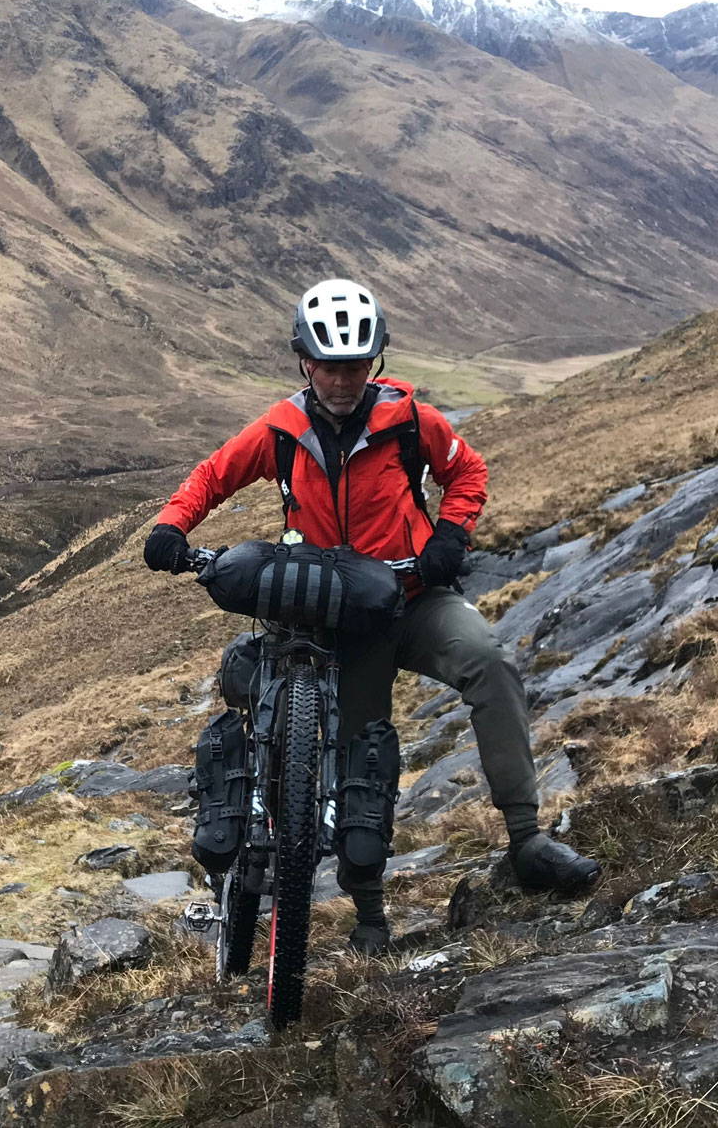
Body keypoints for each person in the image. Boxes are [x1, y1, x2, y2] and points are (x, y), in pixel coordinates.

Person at [142, 278, 600, 953]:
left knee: (490, 662)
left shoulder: (409, 419)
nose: (342, 378)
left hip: (413, 597)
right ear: (305, 361)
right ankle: (371, 915)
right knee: (359, 752)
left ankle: (528, 838)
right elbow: (213, 475)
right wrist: (170, 526)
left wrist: (450, 535)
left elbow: (466, 472)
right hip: (332, 618)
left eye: (356, 363)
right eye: (329, 363)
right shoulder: (281, 431)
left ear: (375, 362)